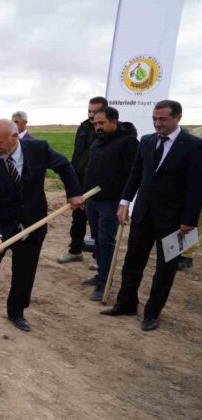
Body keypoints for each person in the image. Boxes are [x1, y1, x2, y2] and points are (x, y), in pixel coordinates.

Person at [0, 119, 83, 334]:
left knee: (25, 270)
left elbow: (64, 166)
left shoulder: (38, 149)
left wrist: (74, 193)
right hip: (1, 223)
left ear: (14, 137)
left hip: (33, 220)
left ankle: (16, 312)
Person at [102, 100, 202, 331]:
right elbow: (136, 173)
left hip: (175, 222)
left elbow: (197, 187)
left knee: (165, 269)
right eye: (154, 119)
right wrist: (124, 201)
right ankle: (126, 304)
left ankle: (152, 313)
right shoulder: (146, 141)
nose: (157, 123)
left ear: (178, 117)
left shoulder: (194, 146)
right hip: (143, 214)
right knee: (132, 262)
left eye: (163, 119)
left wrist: (189, 221)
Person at [82, 106, 138, 301]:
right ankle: (100, 274)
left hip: (111, 201)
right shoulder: (98, 142)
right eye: (95, 123)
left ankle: (106, 282)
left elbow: (133, 174)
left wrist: (125, 202)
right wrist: (84, 195)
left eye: (101, 123)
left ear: (114, 122)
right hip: (93, 199)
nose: (97, 127)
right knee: (97, 239)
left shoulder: (128, 143)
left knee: (106, 242)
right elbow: (90, 169)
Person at [58, 96, 107, 264]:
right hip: (79, 181)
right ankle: (75, 250)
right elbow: (77, 155)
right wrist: (72, 184)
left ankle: (98, 257)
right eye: (89, 111)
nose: (91, 116)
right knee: (78, 219)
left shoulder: (107, 130)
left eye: (95, 112)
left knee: (97, 223)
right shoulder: (83, 127)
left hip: (97, 185)